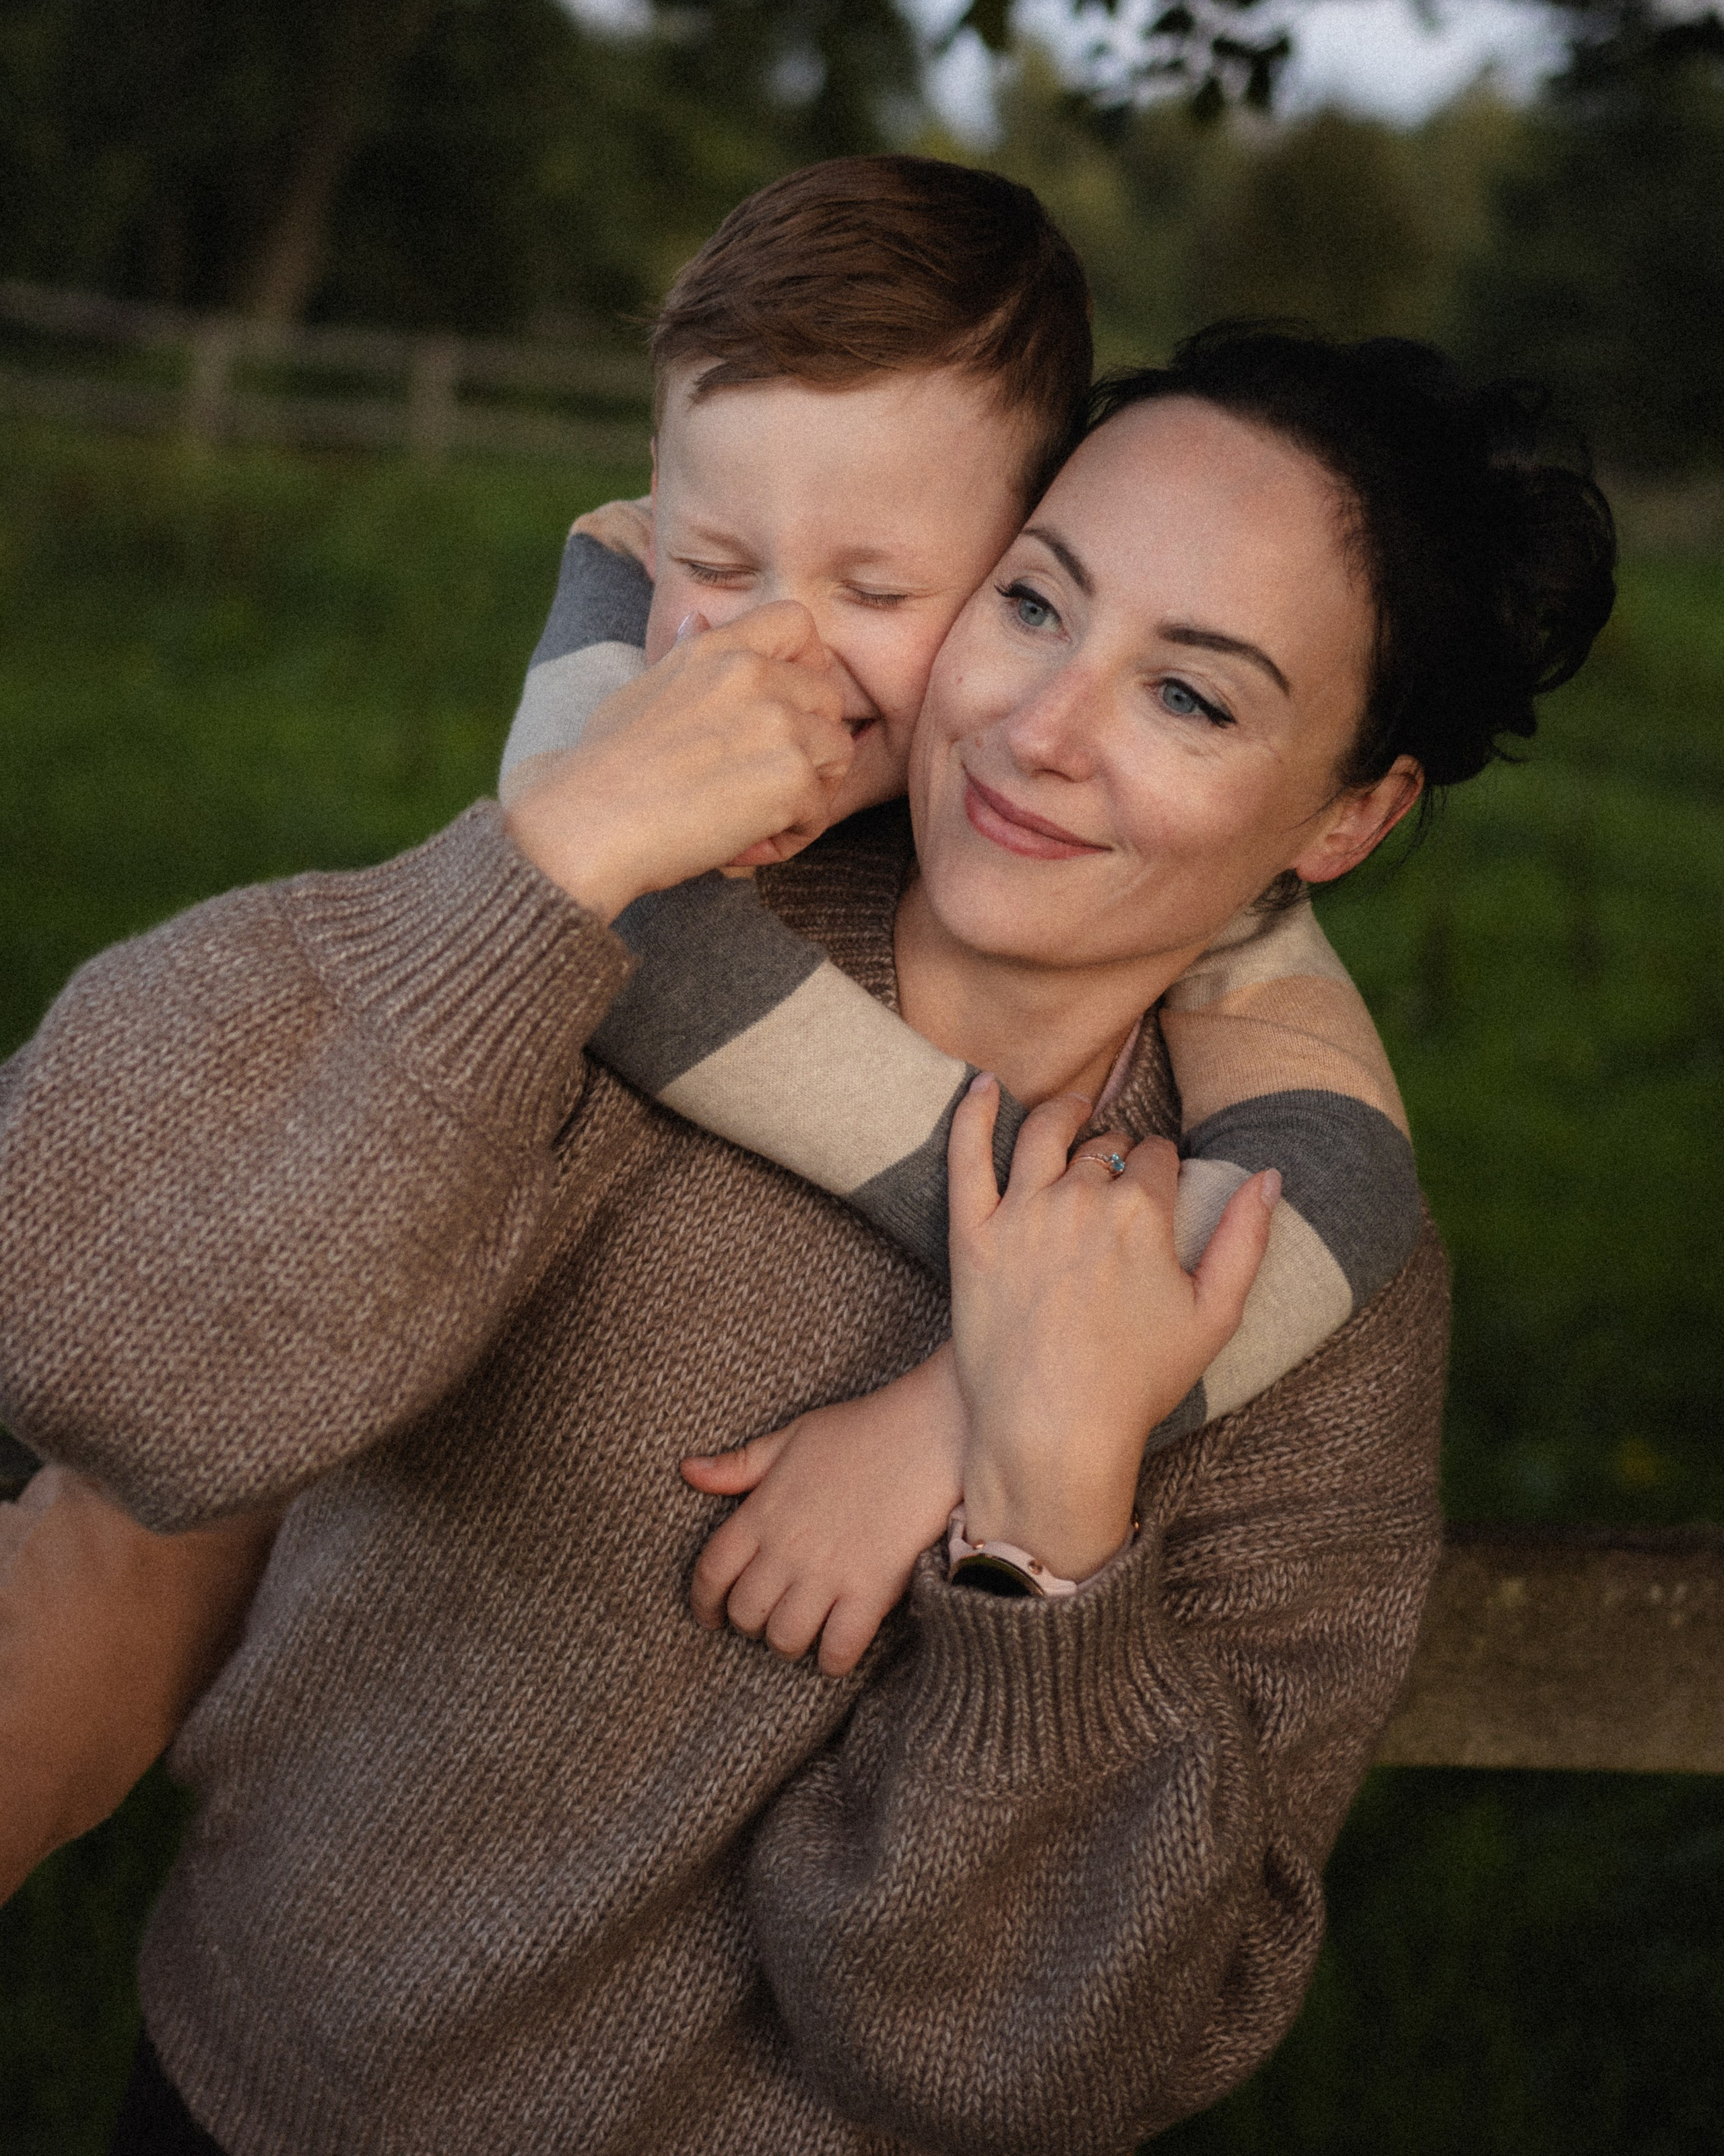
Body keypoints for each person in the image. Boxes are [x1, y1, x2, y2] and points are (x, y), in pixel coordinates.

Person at [0, 302, 1612, 2150]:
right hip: (242, 2096)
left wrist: (1041, 1523)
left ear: (1349, 813)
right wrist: (541, 862)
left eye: (1193, 693)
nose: (1042, 724)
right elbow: (103, 1357)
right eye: (1034, 601)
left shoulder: (1302, 1288)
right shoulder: (648, 922)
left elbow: (1045, 2063)